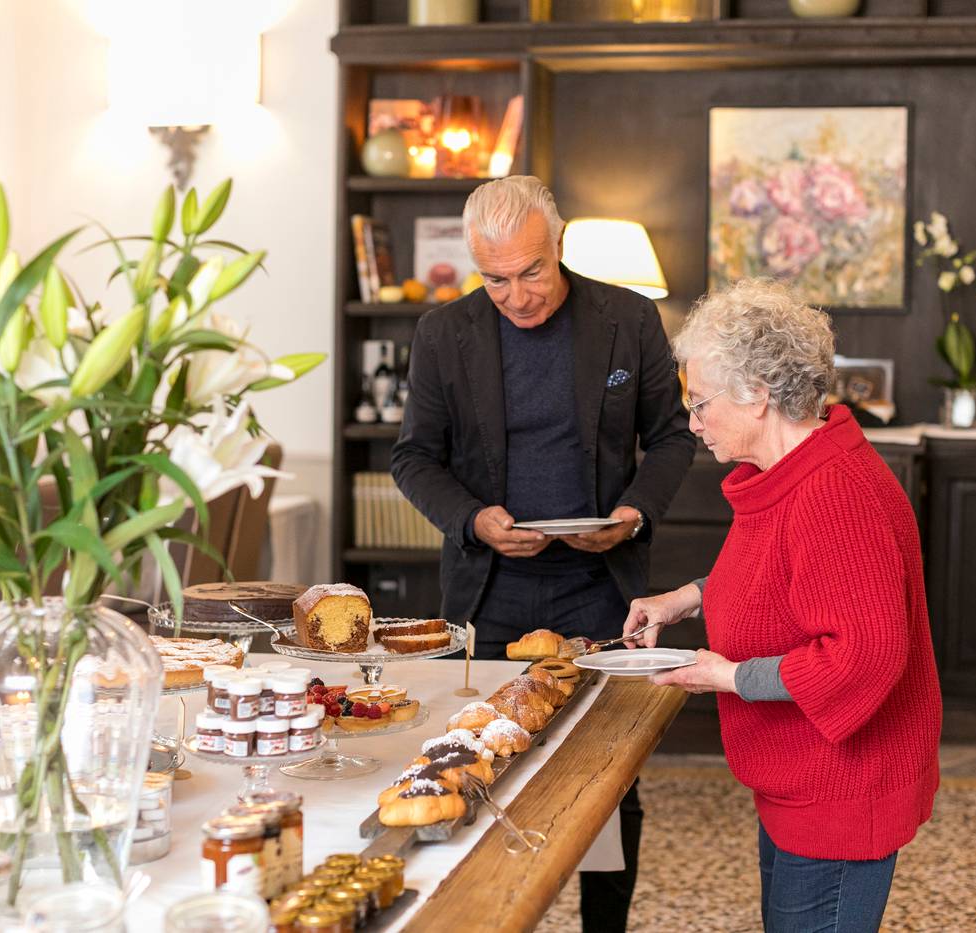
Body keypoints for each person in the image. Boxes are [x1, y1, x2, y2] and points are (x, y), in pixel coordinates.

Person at [391, 175, 695, 932]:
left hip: (600, 587)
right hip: (489, 592)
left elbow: (671, 437)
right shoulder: (442, 333)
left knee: (605, 782)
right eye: (495, 278)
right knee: (475, 769)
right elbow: (414, 458)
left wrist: (632, 513)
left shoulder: (627, 318)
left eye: (531, 272)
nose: (517, 295)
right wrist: (472, 518)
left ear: (558, 245)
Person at [622, 278, 942, 933]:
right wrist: (688, 598)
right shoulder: (796, 471)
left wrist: (726, 675)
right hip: (808, 779)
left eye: (701, 401)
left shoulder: (833, 495)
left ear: (758, 395)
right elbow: (784, 581)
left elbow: (864, 653)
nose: (693, 421)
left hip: (842, 791)